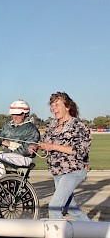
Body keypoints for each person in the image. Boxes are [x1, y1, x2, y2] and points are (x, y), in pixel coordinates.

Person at [37, 92, 90, 221]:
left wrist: (53, 146)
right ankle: (95, 231)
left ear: (67, 106)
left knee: (54, 207)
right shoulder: (51, 126)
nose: (53, 108)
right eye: (52, 105)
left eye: (57, 104)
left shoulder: (78, 126)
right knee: (72, 209)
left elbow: (80, 151)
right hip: (57, 172)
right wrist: (38, 146)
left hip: (74, 171)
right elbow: (47, 146)